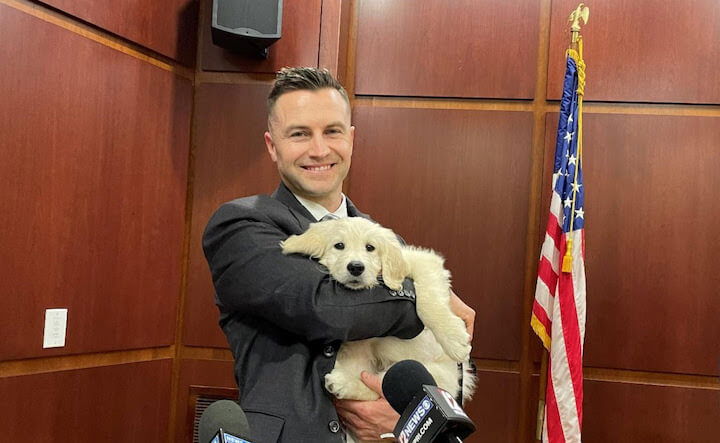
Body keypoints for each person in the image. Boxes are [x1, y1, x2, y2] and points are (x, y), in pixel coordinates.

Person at [203, 67, 475, 442]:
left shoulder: (384, 237)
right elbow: (325, 308)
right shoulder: (242, 226)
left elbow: (446, 359)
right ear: (272, 145)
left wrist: (407, 420)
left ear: (350, 139)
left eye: (331, 131)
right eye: (299, 134)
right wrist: (426, 297)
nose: (319, 150)